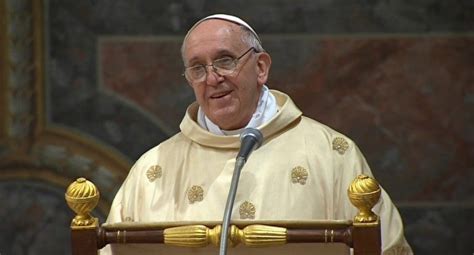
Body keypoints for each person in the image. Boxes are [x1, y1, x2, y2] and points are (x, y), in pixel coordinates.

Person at [102, 14, 413, 254]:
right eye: (197, 68)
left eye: (225, 61)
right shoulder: (151, 171)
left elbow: (384, 245)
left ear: (261, 67)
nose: (212, 78)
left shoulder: (331, 153)